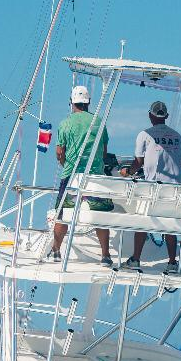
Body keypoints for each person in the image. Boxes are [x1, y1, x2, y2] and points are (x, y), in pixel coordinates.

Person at [50, 84, 113, 266]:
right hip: (95, 178)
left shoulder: (65, 123)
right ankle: (105, 256)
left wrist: (66, 164)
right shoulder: (99, 121)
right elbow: (104, 151)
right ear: (88, 103)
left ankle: (55, 251)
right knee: (100, 216)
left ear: (71, 102)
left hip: (71, 176)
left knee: (62, 214)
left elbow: (59, 152)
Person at [122, 100, 181, 271]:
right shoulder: (178, 137)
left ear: (150, 115)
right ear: (166, 116)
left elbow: (138, 162)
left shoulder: (144, 135)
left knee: (142, 222)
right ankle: (172, 262)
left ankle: (136, 259)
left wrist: (127, 172)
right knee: (170, 225)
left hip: (154, 188)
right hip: (174, 189)